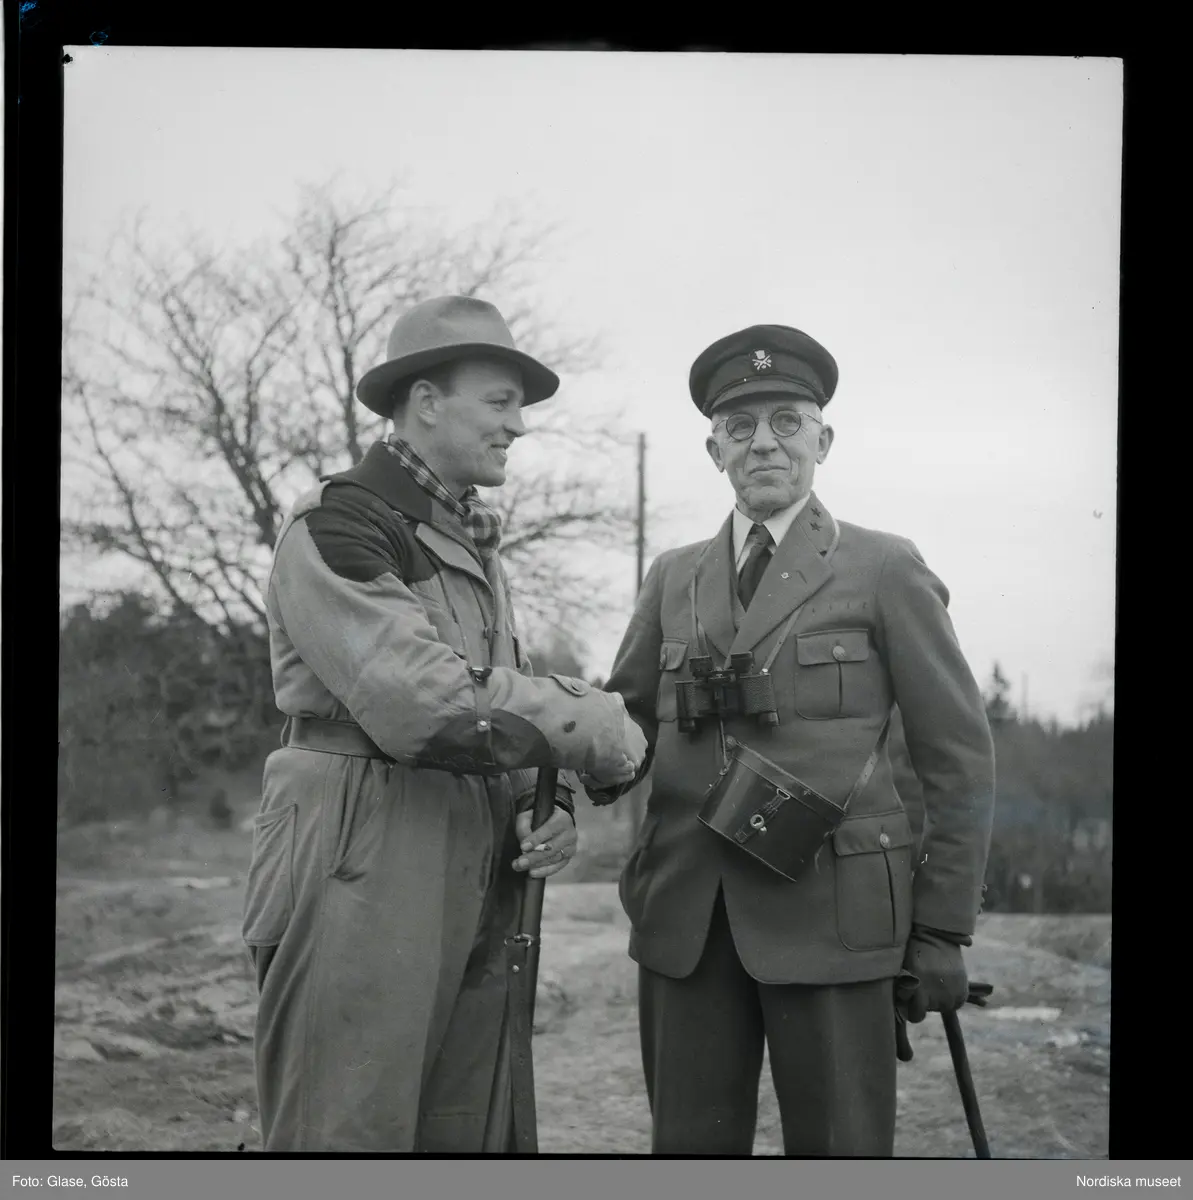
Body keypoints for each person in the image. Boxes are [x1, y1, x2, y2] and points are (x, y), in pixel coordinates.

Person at [241, 294, 647, 1153]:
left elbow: (490, 692)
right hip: (359, 843)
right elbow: (423, 705)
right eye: (499, 402)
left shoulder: (464, 535)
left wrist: (542, 803)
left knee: (460, 1130)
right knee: (346, 1129)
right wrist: (594, 723)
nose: (518, 426)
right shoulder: (341, 521)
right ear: (426, 402)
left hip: (464, 841)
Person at [584, 323, 995, 1156]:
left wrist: (942, 928)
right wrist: (553, 774)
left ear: (822, 440)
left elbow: (957, 759)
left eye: (785, 422)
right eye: (739, 427)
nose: (763, 443)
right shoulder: (671, 577)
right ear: (714, 451)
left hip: (834, 920)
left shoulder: (884, 567)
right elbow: (621, 727)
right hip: (687, 921)